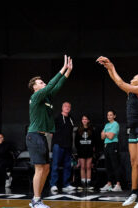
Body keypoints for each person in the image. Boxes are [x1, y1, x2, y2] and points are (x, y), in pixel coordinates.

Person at [97, 56, 138, 208]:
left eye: (136, 77)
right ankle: (134, 192)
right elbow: (117, 81)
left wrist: (112, 65)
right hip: (133, 129)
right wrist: (108, 68)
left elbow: (120, 82)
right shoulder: (130, 92)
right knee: (133, 162)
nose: (133, 78)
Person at [26, 55, 73, 208]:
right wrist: (63, 68)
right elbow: (52, 83)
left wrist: (68, 72)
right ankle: (36, 200)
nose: (43, 83)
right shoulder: (37, 95)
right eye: (40, 82)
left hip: (43, 136)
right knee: (40, 168)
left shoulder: (46, 97)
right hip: (34, 136)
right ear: (35, 87)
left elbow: (57, 86)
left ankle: (36, 199)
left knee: (45, 168)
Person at [50, 102, 76, 193]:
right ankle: (53, 184)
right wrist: (56, 142)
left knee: (67, 166)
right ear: (62, 108)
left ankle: (66, 184)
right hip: (58, 145)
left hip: (68, 146)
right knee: (55, 165)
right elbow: (51, 133)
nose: (67, 108)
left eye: (69, 106)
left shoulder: (71, 118)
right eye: (65, 106)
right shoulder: (57, 118)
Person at [99, 110, 123, 192]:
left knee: (115, 165)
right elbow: (102, 137)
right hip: (106, 146)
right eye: (108, 115)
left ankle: (118, 185)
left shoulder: (115, 124)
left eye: (111, 115)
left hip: (113, 145)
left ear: (114, 116)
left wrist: (105, 133)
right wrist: (106, 133)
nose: (109, 116)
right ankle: (109, 184)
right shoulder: (107, 125)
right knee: (108, 166)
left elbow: (111, 136)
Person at [75, 114, 97, 190]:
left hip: (89, 151)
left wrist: (92, 150)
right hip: (81, 151)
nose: (84, 120)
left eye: (86, 119)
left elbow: (94, 141)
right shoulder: (78, 130)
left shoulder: (91, 130)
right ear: (81, 121)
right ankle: (83, 183)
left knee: (88, 167)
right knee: (83, 166)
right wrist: (78, 150)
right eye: (83, 119)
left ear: (88, 120)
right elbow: (76, 142)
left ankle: (88, 183)